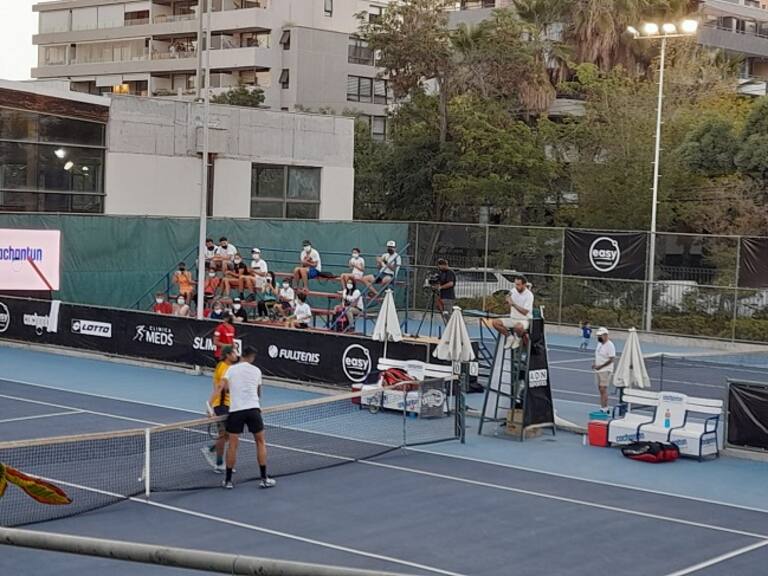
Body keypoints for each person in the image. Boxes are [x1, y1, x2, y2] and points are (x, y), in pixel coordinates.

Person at [209, 346, 276, 490]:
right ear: (252, 357)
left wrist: (209, 405)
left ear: (242, 355)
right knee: (260, 442)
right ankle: (264, 478)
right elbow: (258, 393)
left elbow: (221, 387)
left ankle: (228, 481)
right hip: (253, 410)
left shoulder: (231, 369)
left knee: (233, 445)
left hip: (236, 411)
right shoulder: (257, 371)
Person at [202, 345, 238, 473]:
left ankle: (210, 449)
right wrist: (210, 405)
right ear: (228, 355)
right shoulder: (223, 367)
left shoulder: (229, 367)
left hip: (229, 404)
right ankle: (219, 464)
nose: (236, 355)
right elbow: (222, 388)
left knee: (228, 434)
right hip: (221, 405)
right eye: (234, 353)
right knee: (223, 435)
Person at [491, 275, 533, 349]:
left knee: (518, 327)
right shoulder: (514, 290)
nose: (516, 286)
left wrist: (513, 304)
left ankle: (518, 339)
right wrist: (507, 299)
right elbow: (508, 295)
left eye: (518, 284)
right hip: (512, 318)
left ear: (524, 285)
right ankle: (509, 337)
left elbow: (525, 312)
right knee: (495, 322)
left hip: (524, 320)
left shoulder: (529, 295)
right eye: (515, 284)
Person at [592, 327, 616, 413]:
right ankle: (602, 407)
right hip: (599, 369)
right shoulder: (599, 344)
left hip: (605, 370)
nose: (599, 337)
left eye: (600, 335)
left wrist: (601, 366)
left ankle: (605, 408)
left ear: (606, 335)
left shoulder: (610, 345)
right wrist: (595, 363)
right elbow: (597, 355)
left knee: (603, 388)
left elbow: (611, 359)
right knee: (600, 388)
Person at [435, 259, 456, 323]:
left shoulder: (449, 272)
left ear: (443, 265)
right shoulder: (442, 273)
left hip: (448, 297)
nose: (439, 268)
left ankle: (450, 328)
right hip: (442, 296)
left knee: (448, 314)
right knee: (444, 314)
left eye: (439, 266)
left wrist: (441, 287)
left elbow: (451, 283)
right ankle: (447, 326)